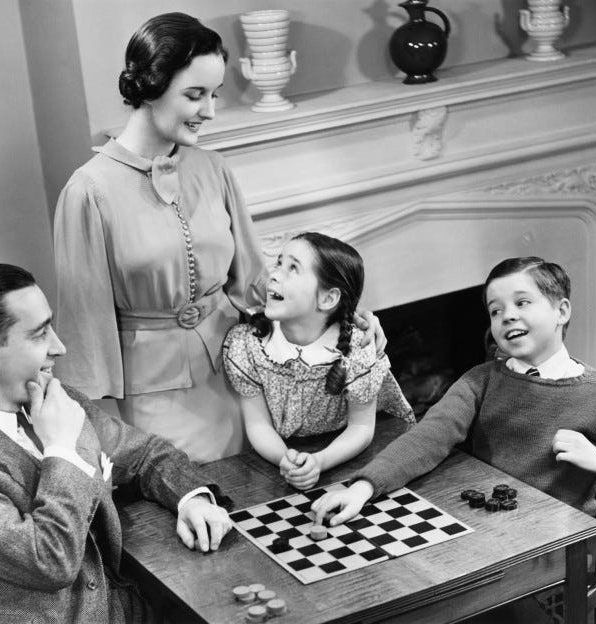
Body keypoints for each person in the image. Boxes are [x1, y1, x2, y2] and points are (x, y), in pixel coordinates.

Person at [53, 13, 385, 462]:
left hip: (240, 377)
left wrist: (344, 314)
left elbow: (255, 279)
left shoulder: (213, 168)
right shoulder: (88, 191)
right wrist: (106, 437)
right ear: (151, 85)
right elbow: (84, 330)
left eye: (213, 94)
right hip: (153, 396)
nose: (209, 110)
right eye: (194, 95)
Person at [0, 263, 233, 624]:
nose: (60, 347)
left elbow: (146, 453)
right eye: (40, 335)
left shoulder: (55, 398)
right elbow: (50, 561)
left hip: (126, 606)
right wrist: (62, 451)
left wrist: (191, 498)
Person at [312, 256, 596, 525]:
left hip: (554, 544)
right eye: (495, 310)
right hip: (482, 525)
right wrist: (362, 488)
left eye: (522, 303)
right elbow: (429, 436)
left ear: (562, 311)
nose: (507, 316)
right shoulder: (481, 379)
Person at [223, 232, 413, 490]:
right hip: (281, 464)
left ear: (327, 298)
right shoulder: (247, 345)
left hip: (356, 458)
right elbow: (257, 424)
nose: (275, 274)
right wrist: (287, 461)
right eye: (279, 263)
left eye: (293, 268)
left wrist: (320, 461)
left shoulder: (357, 350)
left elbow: (361, 427)